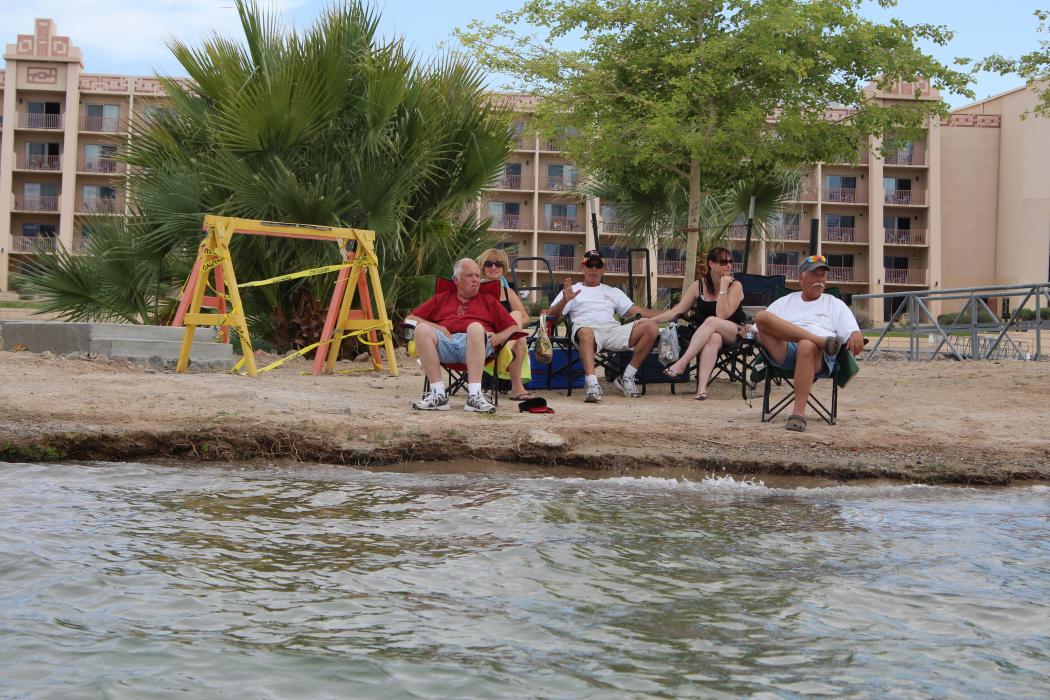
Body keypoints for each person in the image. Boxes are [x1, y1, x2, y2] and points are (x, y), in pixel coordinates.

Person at [754, 254, 864, 432]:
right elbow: (757, 330)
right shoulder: (785, 302)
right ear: (801, 278)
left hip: (818, 357)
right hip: (787, 352)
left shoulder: (835, 304)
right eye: (814, 274)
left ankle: (798, 414)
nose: (819, 280)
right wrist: (753, 332)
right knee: (761, 316)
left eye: (822, 275)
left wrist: (856, 333)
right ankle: (819, 341)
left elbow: (852, 331)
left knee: (806, 344)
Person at [406, 258, 521, 413]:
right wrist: (437, 327)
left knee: (475, 327)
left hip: (476, 344)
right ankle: (438, 395)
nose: (475, 280)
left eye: (477, 276)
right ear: (456, 280)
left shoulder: (488, 300)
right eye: (469, 276)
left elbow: (513, 327)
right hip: (446, 343)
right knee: (422, 329)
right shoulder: (443, 298)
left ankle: (474, 396)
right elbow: (410, 319)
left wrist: (500, 337)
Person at [547, 249, 659, 402]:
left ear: (603, 269)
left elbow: (637, 312)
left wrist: (673, 312)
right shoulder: (571, 291)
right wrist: (565, 300)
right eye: (589, 265)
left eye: (598, 265)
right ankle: (592, 385)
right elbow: (552, 318)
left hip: (612, 330)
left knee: (651, 327)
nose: (593, 269)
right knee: (586, 332)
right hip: (585, 331)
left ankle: (627, 376)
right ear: (582, 267)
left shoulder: (613, 291)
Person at [649, 247, 746, 400]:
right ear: (711, 264)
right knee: (713, 338)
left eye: (730, 262)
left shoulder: (735, 285)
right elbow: (677, 310)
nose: (729, 265)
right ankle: (701, 390)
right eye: (723, 262)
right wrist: (650, 321)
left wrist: (723, 288)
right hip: (707, 334)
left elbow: (722, 315)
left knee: (712, 320)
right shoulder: (698, 286)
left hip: (733, 331)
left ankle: (682, 363)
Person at [476, 248, 534, 400]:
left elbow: (525, 318)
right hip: (485, 335)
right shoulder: (475, 290)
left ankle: (504, 350)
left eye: (498, 264)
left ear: (504, 268)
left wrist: (510, 325)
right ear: (482, 267)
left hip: (505, 336)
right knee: (519, 337)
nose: (494, 267)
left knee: (517, 316)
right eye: (489, 264)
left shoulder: (508, 292)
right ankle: (517, 388)